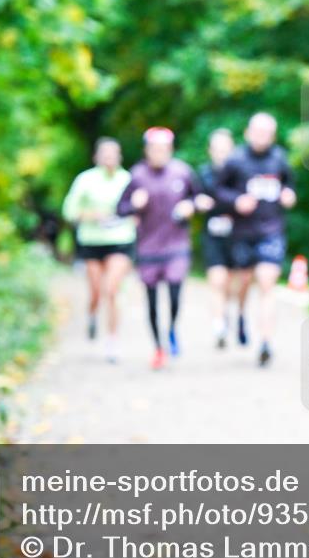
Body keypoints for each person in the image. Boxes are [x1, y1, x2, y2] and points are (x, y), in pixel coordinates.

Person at [117, 127, 203, 370]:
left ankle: (172, 329)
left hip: (177, 245)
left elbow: (200, 198)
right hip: (148, 249)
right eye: (155, 149)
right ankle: (158, 347)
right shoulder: (136, 176)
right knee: (152, 302)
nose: (159, 153)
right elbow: (120, 208)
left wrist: (191, 206)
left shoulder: (183, 172)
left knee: (175, 295)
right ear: (147, 150)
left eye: (164, 149)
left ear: (170, 150)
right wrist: (133, 205)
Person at [215, 113, 296, 366]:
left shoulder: (279, 158)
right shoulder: (235, 160)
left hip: (271, 231)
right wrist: (236, 201)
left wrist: (288, 195)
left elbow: (290, 185)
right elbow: (217, 191)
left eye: (267, 133)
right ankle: (239, 316)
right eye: (258, 132)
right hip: (242, 233)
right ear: (248, 132)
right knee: (244, 282)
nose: (262, 138)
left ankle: (266, 342)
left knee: (267, 282)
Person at [61, 137, 135, 362]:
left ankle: (112, 340)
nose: (109, 159)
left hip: (120, 240)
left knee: (112, 290)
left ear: (119, 156)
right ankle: (92, 314)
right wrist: (93, 215)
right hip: (92, 242)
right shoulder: (85, 180)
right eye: (105, 154)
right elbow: (69, 211)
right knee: (96, 291)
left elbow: (139, 208)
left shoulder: (129, 180)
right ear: (97, 157)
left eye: (113, 154)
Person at [198, 128, 250, 349]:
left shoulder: (242, 172)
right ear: (210, 151)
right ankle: (219, 326)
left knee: (237, 284)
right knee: (217, 281)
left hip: (239, 234)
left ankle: (238, 316)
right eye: (218, 149)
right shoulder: (203, 173)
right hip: (213, 233)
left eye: (226, 149)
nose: (222, 154)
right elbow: (193, 196)